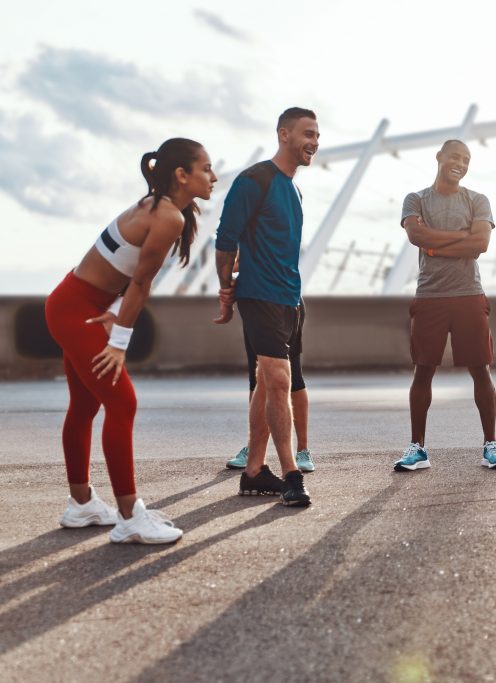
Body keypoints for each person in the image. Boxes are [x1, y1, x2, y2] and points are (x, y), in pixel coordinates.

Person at [45, 138, 217, 543]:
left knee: (86, 404)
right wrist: (119, 342)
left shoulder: (159, 209)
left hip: (74, 302)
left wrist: (113, 309)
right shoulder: (167, 215)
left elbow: (125, 275)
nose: (213, 176)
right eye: (206, 168)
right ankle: (128, 518)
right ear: (182, 175)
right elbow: (140, 282)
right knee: (122, 402)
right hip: (75, 309)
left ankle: (82, 504)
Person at [214, 107, 318, 506]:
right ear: (284, 134)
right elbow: (225, 241)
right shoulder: (253, 180)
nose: (314, 143)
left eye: (317, 136)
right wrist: (227, 292)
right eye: (307, 134)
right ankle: (292, 474)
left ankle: (254, 472)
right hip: (259, 296)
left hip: (290, 298)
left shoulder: (294, 189)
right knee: (278, 380)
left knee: (264, 384)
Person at [392, 139, 496, 472]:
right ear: (439, 157)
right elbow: (417, 237)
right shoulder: (416, 199)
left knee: (480, 369)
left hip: (469, 294)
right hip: (430, 296)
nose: (460, 163)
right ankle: (418, 448)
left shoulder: (477, 199)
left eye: (466, 159)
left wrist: (437, 244)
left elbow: (481, 243)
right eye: (455, 156)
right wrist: (460, 237)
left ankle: (491, 445)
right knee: (423, 370)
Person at [224, 297, 314, 474]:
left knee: (293, 376)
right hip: (255, 305)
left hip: (285, 299)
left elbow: (234, 267)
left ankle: (302, 450)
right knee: (256, 377)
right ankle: (253, 449)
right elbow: (235, 268)